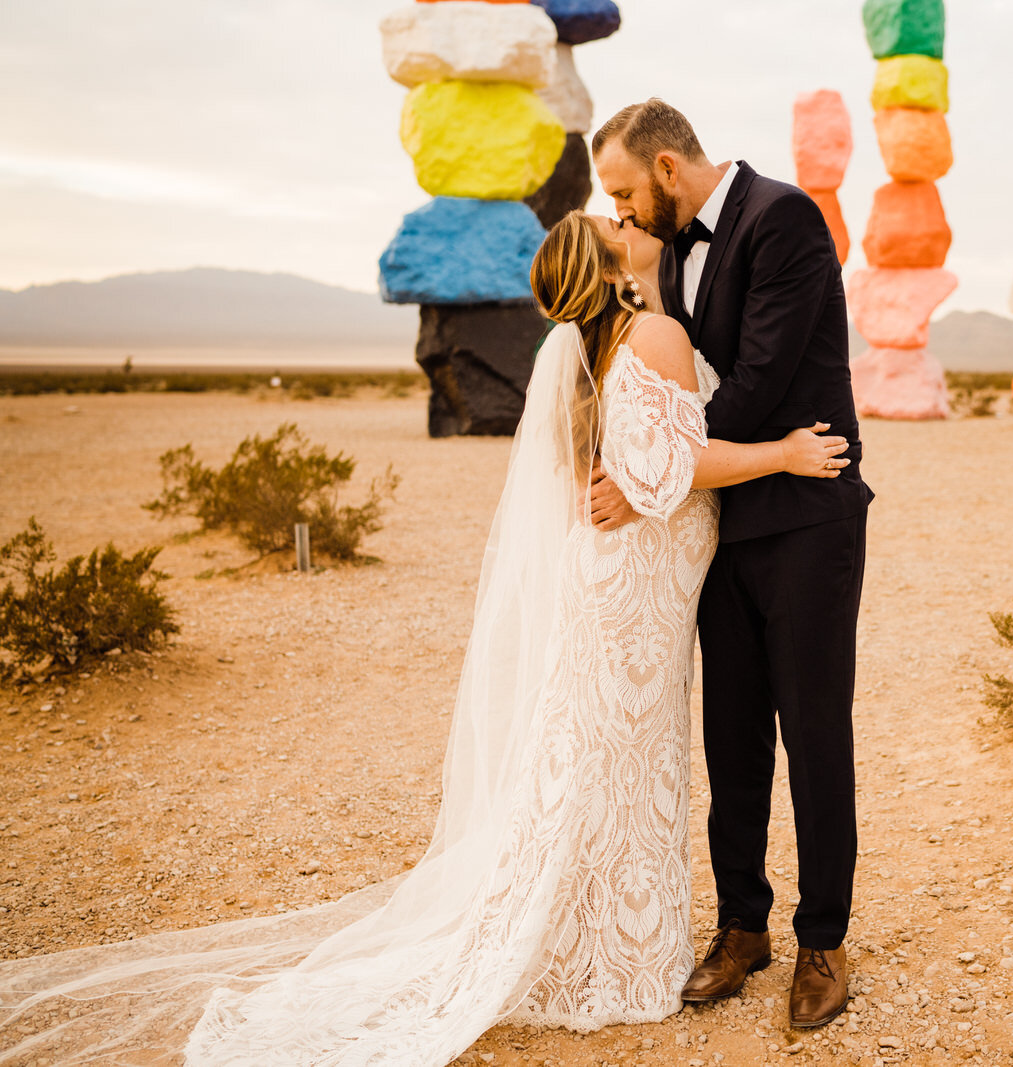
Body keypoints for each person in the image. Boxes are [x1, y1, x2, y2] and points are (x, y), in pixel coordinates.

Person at [0, 212, 849, 1065]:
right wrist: (782, 452)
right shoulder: (656, 330)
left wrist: (642, 476)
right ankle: (607, 947)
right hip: (639, 585)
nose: (620, 215)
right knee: (620, 753)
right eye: (608, 218)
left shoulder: (592, 347)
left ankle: (599, 935)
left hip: (628, 578)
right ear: (612, 259)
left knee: (606, 753)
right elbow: (677, 461)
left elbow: (640, 460)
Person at [591, 99, 871, 1028]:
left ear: (668, 168)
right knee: (733, 736)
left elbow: (755, 380)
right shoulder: (669, 250)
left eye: (627, 191)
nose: (623, 213)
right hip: (717, 525)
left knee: (816, 735)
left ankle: (822, 941)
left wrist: (647, 472)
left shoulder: (785, 217)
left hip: (805, 515)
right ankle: (741, 926)